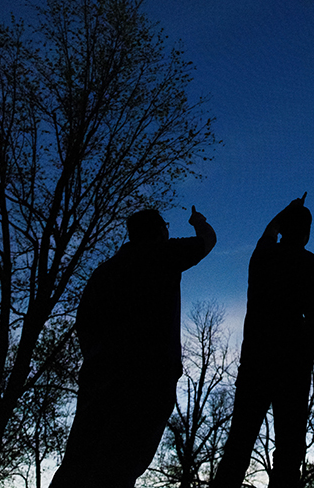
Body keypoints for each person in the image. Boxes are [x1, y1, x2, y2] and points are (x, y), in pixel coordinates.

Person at [51, 206, 217, 488]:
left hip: (100, 377)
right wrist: (199, 220)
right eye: (165, 225)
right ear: (160, 230)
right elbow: (208, 240)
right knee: (122, 462)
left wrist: (96, 357)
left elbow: (84, 323)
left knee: (80, 459)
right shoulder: (162, 254)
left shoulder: (104, 272)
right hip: (149, 377)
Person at [213, 194, 314, 488]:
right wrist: (307, 361)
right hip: (292, 367)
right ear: (306, 232)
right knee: (289, 453)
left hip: (255, 362)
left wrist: (288, 209)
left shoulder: (262, 255)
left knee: (238, 446)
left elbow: (268, 231)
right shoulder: (308, 262)